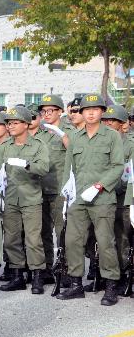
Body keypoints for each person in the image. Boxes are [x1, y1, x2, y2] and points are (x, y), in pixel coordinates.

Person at [57, 94, 124, 305]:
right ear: (82, 113)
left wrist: (99, 185)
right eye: (87, 109)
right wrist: (65, 191)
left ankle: (111, 284)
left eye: (96, 109)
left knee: (105, 242)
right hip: (78, 198)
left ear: (102, 112)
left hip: (102, 198)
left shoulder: (112, 136)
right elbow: (69, 167)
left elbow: (118, 166)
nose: (91, 112)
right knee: (72, 241)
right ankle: (76, 283)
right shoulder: (75, 137)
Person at [0, 106, 50, 294]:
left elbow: (43, 168)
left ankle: (37, 276)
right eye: (8, 123)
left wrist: (27, 165)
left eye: (15, 123)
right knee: (11, 239)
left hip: (31, 198)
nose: (10, 126)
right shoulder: (4, 147)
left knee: (34, 239)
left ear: (26, 124)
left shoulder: (38, 145)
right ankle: (17, 274)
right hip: (10, 198)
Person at [34, 94, 72, 283]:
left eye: (51, 111)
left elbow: (75, 150)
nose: (47, 114)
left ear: (60, 111)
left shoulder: (68, 130)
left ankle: (65, 270)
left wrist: (61, 134)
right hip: (40, 188)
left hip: (60, 189)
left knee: (62, 231)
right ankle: (48, 268)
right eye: (44, 111)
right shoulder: (39, 134)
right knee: (43, 231)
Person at [100, 105, 134, 287]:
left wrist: (106, 185)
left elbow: (128, 175)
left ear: (122, 124)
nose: (107, 124)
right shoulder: (100, 142)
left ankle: (123, 276)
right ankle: (105, 276)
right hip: (101, 197)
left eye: (111, 121)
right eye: (104, 120)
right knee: (103, 238)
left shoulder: (130, 145)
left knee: (121, 238)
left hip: (121, 197)